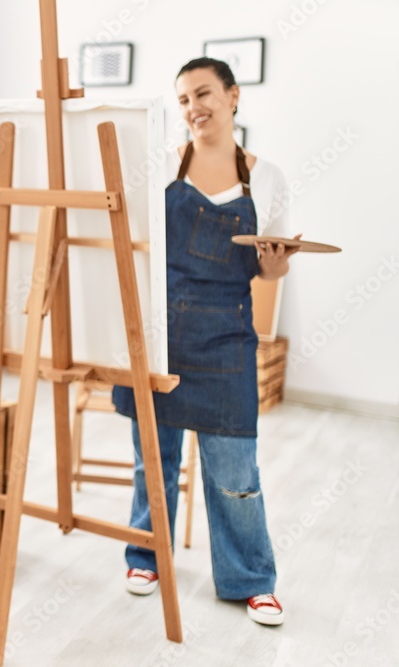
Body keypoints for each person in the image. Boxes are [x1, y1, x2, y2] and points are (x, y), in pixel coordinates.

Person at [112, 57, 299, 627]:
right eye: (184, 99)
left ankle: (251, 579)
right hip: (164, 338)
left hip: (227, 341)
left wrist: (272, 265)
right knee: (155, 461)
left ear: (233, 96)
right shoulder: (164, 166)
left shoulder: (266, 178)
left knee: (236, 472)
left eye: (203, 94)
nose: (194, 108)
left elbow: (272, 275)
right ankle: (146, 554)